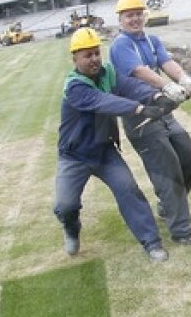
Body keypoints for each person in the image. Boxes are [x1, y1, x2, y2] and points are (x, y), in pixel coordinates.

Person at [54, 27, 177, 262]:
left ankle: (151, 243)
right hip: (74, 156)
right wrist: (140, 108)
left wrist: (156, 96)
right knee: (65, 205)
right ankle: (71, 227)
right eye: (87, 55)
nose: (94, 59)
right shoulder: (75, 87)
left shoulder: (107, 73)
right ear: (75, 59)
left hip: (104, 152)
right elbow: (105, 102)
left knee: (129, 190)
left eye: (96, 53)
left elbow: (129, 86)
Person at [108, 0, 191, 246]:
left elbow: (166, 61)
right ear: (121, 19)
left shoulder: (151, 40)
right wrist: (166, 86)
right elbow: (139, 71)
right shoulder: (121, 45)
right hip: (140, 117)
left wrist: (183, 78)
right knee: (167, 170)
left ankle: (167, 205)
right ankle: (181, 231)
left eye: (138, 14)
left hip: (162, 111)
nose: (135, 19)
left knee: (187, 156)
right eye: (129, 16)